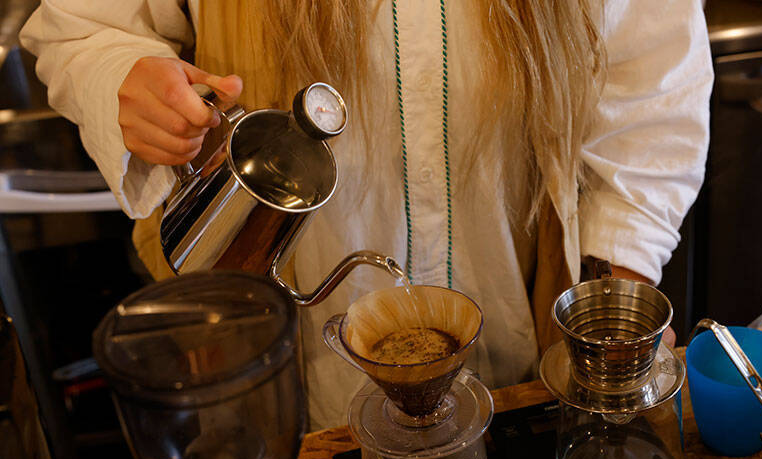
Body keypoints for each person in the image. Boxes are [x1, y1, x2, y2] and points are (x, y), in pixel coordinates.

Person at [20, 0, 713, 430]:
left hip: (519, 368)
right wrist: (125, 76)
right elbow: (84, 28)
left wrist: (613, 287)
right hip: (280, 371)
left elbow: (650, 84)